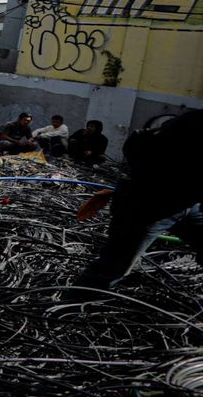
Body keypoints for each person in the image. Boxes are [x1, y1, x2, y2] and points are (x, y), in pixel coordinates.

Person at [75, 109, 203, 291]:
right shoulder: (190, 124)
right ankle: (76, 301)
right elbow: (138, 146)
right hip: (147, 206)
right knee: (112, 267)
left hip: (185, 204)